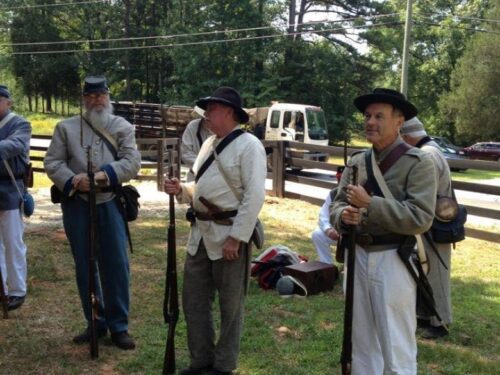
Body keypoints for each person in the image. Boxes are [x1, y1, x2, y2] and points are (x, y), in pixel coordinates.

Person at [330, 88, 437, 374]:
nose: (371, 122)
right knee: (361, 340)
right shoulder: (357, 162)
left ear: (399, 121)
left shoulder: (419, 163)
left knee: (396, 343)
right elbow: (337, 204)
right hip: (357, 255)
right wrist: (344, 216)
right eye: (367, 116)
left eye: (379, 116)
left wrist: (370, 205)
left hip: (393, 259)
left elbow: (420, 217)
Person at [164, 87, 266, 375]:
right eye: (206, 109)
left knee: (230, 308)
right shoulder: (209, 144)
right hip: (200, 236)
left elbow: (254, 196)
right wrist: (181, 190)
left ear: (231, 113)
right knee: (194, 302)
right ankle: (201, 361)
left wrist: (237, 237)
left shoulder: (250, 146)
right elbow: (199, 186)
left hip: (229, 236)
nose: (207, 114)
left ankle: (223, 367)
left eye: (213, 109)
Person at [44, 76, 141, 350]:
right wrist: (74, 180)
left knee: (116, 264)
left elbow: (132, 161)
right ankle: (95, 322)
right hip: (77, 204)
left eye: (101, 95)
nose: (97, 100)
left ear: (108, 97)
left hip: (109, 201)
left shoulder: (122, 127)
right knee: (85, 266)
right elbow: (52, 161)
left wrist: (104, 175)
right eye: (91, 95)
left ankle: (119, 326)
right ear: (84, 99)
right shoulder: (65, 128)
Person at [401, 116, 452, 339]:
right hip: (429, 222)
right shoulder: (430, 150)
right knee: (424, 272)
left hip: (433, 224)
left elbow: (425, 193)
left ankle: (440, 323)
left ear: (407, 136)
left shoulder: (428, 155)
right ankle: (425, 316)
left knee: (436, 275)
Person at [0, 84, 31, 311]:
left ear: (8, 102)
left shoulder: (20, 123)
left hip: (10, 187)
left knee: (13, 241)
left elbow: (14, 145)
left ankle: (17, 290)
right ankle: (2, 288)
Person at [181, 117, 213, 182]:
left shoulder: (223, 129)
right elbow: (185, 153)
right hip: (194, 176)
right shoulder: (192, 126)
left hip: (216, 179)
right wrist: (206, 165)